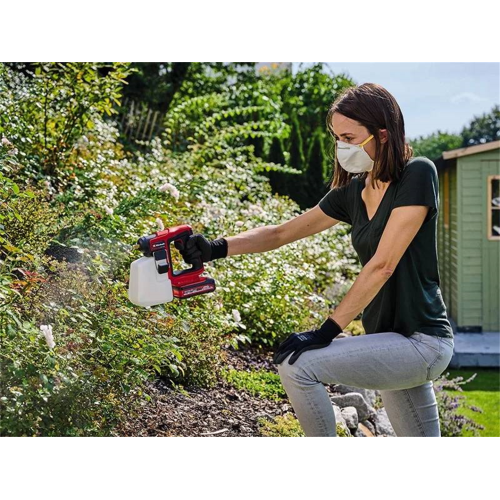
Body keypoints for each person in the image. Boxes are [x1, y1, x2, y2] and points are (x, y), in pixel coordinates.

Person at [175, 82, 455, 437]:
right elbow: (280, 233)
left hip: (421, 342)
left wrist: (326, 331)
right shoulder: (353, 193)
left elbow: (382, 266)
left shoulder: (417, 174)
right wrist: (215, 248)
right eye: (337, 138)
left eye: (349, 137)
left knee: (298, 365)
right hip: (389, 341)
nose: (342, 147)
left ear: (382, 134)